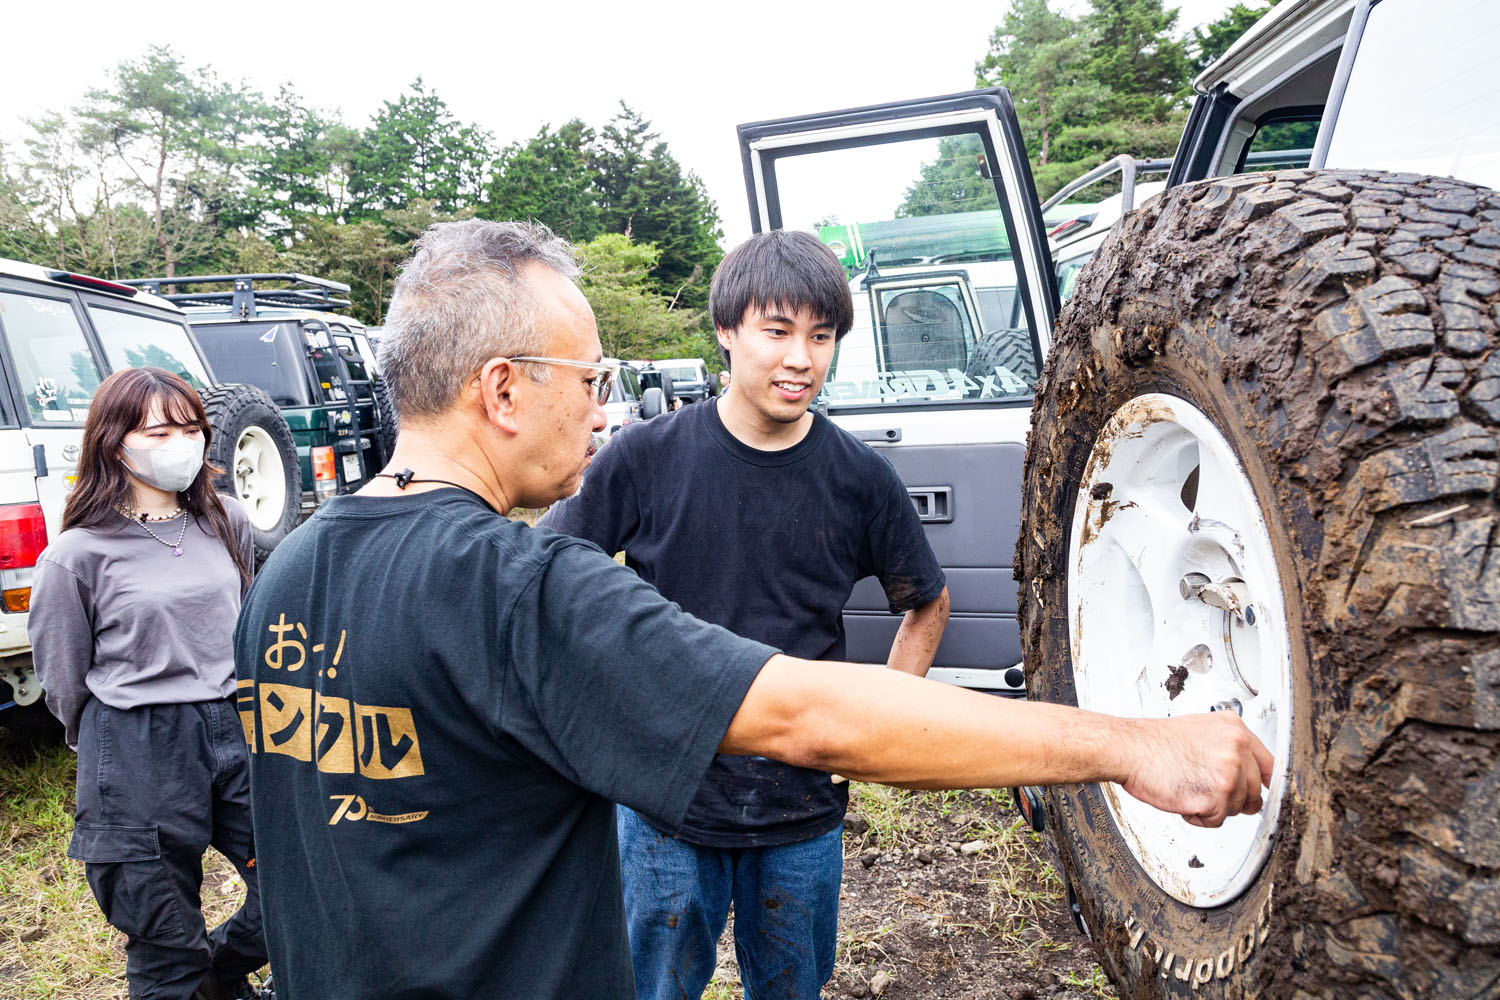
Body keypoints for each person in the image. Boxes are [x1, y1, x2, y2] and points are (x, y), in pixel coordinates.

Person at [234, 220, 1272, 1000]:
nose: (602, 406)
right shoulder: (520, 587)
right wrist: (1136, 744)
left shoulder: (283, 576)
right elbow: (813, 717)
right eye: (588, 378)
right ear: (502, 391)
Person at [541, 229, 950, 1000]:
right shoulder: (645, 457)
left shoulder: (859, 478)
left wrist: (882, 727)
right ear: (726, 332)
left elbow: (926, 602)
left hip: (801, 806)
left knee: (792, 989)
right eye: (778, 331)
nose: (801, 358)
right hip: (666, 799)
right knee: (654, 988)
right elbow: (553, 573)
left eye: (820, 336)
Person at [30, 367, 269, 1000]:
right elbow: (63, 679)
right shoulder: (76, 556)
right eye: (160, 431)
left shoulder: (229, 524)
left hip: (233, 724)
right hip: (138, 741)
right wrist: (111, 751)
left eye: (192, 429)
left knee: (300, 876)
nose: (181, 444)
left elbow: (238, 624)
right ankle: (186, 977)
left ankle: (218, 970)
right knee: (162, 927)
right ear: (115, 443)